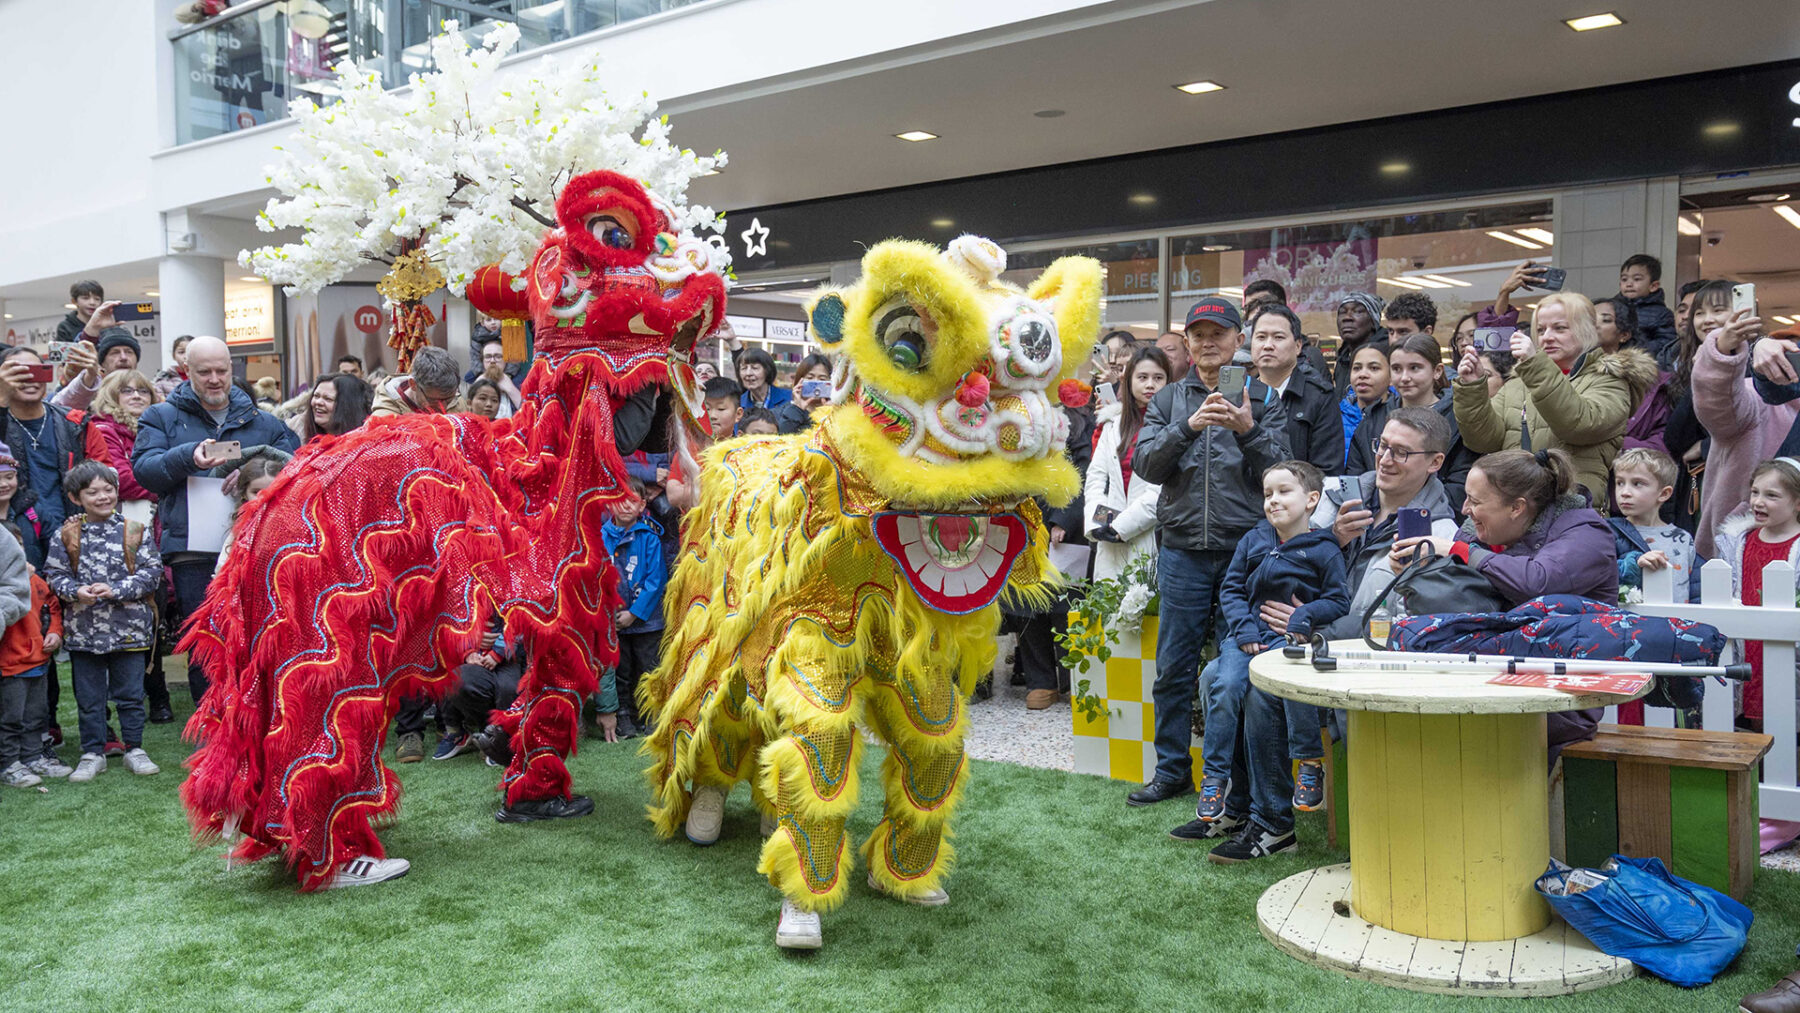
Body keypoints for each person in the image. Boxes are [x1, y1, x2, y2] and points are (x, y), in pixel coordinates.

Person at [1128, 297, 1290, 807]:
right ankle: (1172, 770)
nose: (1206, 343)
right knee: (1173, 668)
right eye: (1197, 335)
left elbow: (1285, 474)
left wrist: (1248, 430)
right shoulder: (1170, 399)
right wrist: (1188, 425)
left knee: (1235, 670)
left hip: (1245, 555)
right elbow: (1147, 467)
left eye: (1218, 334)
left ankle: (1236, 785)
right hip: (1181, 553)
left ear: (1239, 341)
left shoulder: (1262, 398)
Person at [1178, 461, 1348, 863]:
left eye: (1283, 491)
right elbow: (1232, 589)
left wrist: (1303, 617)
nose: (1273, 500)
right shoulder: (1254, 540)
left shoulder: (1323, 548)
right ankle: (1229, 800)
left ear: (1311, 499)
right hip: (1249, 639)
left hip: (1291, 643)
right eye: (1267, 494)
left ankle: (1274, 819)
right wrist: (1245, 630)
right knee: (1214, 680)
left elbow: (1338, 599)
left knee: (1263, 690)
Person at [1397, 448, 1616, 756]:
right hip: (1489, 681)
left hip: (1560, 699)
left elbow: (1538, 582)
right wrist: (1419, 574)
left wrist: (1462, 551)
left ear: (1517, 507)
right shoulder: (1479, 531)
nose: (1464, 509)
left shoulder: (1586, 532)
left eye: (1475, 501)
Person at [132, 336, 300, 705]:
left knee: (261, 634)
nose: (214, 379)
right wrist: (188, 456)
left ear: (232, 370)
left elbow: (298, 468)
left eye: (221, 370)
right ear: (186, 372)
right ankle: (213, 726)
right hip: (192, 550)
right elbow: (144, 472)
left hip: (258, 547)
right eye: (204, 371)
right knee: (207, 641)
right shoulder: (160, 416)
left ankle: (261, 717)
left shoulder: (263, 421)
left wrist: (252, 465)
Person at [1453, 292, 1657, 511]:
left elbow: (1578, 425)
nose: (1546, 337)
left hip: (1572, 511)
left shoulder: (1611, 379)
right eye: (1540, 330)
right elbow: (1482, 441)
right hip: (1512, 510)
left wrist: (1535, 366)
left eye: (1560, 328)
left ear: (1587, 329)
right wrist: (1473, 387)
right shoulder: (1520, 381)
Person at [47, 461, 163, 783]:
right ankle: (92, 752)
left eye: (108, 489)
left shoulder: (135, 530)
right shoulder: (66, 534)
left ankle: (134, 749)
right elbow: (54, 576)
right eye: (93, 492)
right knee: (89, 697)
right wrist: (75, 591)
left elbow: (152, 574)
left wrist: (117, 590)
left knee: (130, 693)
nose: (102, 497)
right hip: (84, 633)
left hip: (129, 629)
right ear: (76, 497)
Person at [1309, 408, 1462, 620]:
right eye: (1382, 446)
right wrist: (1332, 538)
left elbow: (1412, 621)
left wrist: (1320, 627)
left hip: (1361, 647)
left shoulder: (1441, 536)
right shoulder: (1331, 495)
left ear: (1435, 462)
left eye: (1401, 452)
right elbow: (1286, 562)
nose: (1385, 460)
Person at [1690, 283, 1797, 559]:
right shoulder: (1750, 395)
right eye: (1699, 312)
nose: (1708, 319)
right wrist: (1722, 351)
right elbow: (1718, 405)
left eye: (1718, 309)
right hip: (1737, 543)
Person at [1714, 459, 1800, 732]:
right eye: (1755, 492)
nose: (1758, 502)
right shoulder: (1737, 542)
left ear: (1798, 502)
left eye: (1772, 495)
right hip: (1743, 645)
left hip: (1785, 647)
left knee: (1785, 722)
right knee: (1750, 724)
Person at [1350, 333, 1473, 509]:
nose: (1405, 377)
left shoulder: (1458, 418)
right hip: (1375, 517)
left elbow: (1461, 485)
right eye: (1397, 369)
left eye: (1415, 368)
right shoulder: (1374, 418)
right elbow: (1356, 474)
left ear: (1437, 371)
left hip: (1437, 517)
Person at [1084, 347, 1171, 579]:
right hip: (1110, 538)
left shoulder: (1175, 426)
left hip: (1153, 535)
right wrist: (1100, 523)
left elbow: (1161, 492)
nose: (1150, 385)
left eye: (1158, 378)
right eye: (1142, 377)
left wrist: (1121, 526)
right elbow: (1096, 479)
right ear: (1129, 381)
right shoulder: (1113, 423)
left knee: (1147, 606)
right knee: (1108, 609)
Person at [600, 478, 667, 740]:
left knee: (648, 669)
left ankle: (650, 715)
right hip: (614, 621)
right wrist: (610, 612)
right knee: (621, 672)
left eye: (633, 500)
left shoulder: (649, 537)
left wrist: (635, 613)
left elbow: (656, 579)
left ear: (642, 506)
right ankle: (624, 716)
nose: (626, 505)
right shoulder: (599, 537)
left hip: (646, 622)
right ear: (609, 503)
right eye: (621, 498)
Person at [1246, 303, 1342, 476]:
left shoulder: (1319, 397)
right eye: (1261, 337)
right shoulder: (1241, 394)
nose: (1268, 345)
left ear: (1298, 346)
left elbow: (1327, 470)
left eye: (1278, 337)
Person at [1610, 447, 1696, 604]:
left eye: (1637, 484)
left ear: (1664, 494)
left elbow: (1697, 589)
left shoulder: (1683, 539)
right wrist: (1634, 565)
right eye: (1620, 483)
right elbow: (1597, 575)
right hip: (1631, 625)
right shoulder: (1608, 532)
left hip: (1680, 624)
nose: (1625, 492)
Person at [0, 519, 49, 787]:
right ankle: (9, 763)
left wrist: (55, 633)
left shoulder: (35, 581)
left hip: (38, 660)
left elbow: (52, 607)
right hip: (10, 664)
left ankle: (33, 757)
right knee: (11, 718)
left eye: (20, 546)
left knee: (35, 715)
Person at [444, 614, 524, 761]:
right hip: (477, 655)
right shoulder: (463, 592)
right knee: (456, 681)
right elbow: (454, 618)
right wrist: (469, 650)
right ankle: (486, 733)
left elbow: (520, 618)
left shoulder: (514, 592)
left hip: (514, 655)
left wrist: (497, 653)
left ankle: (505, 738)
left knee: (508, 689)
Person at [1618, 253, 1679, 369]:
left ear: (1653, 286)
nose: (1629, 284)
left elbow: (1665, 343)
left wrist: (1634, 350)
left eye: (1637, 279)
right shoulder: (1613, 308)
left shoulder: (1662, 314)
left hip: (1643, 367)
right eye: (1624, 279)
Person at [1339, 344, 1390, 469]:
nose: (1363, 374)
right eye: (1357, 368)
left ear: (1391, 375)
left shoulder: (1398, 417)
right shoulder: (1333, 417)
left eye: (1373, 368)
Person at [372, 346, 462, 417]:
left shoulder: (457, 400)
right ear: (413, 384)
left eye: (449, 399)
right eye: (434, 401)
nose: (443, 407)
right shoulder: (385, 416)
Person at [1330, 292, 1386, 396]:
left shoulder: (1386, 355)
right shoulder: (1343, 358)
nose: (1347, 318)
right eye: (1342, 312)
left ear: (1373, 322)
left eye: (1358, 312)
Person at [299, 372, 373, 442]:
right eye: (316, 396)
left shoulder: (366, 447)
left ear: (347, 407)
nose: (318, 402)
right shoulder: (301, 437)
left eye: (328, 399)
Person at [780, 352, 832, 433]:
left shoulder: (835, 410)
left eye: (822, 379)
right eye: (810, 378)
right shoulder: (785, 411)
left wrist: (832, 413)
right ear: (799, 381)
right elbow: (783, 436)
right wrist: (797, 408)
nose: (816, 383)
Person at [736, 347, 791, 412]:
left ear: (767, 370)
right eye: (744, 368)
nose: (748, 373)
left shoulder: (789, 399)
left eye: (755, 368)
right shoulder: (738, 404)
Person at [154, 335, 193, 400]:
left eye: (190, 352)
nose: (186, 356)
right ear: (173, 355)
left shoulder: (206, 378)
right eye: (181, 352)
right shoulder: (163, 380)